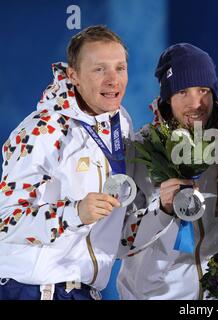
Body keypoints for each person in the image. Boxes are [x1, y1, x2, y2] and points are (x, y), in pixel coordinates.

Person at [0, 25, 133, 300]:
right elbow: (5, 221)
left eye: (120, 68)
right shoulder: (43, 130)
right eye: (99, 69)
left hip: (85, 291)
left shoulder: (121, 123)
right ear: (73, 75)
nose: (113, 80)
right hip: (34, 290)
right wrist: (73, 213)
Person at [117, 43, 218, 299]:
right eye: (183, 91)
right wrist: (162, 211)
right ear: (167, 99)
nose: (196, 103)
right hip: (155, 295)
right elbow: (121, 239)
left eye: (203, 90)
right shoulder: (141, 149)